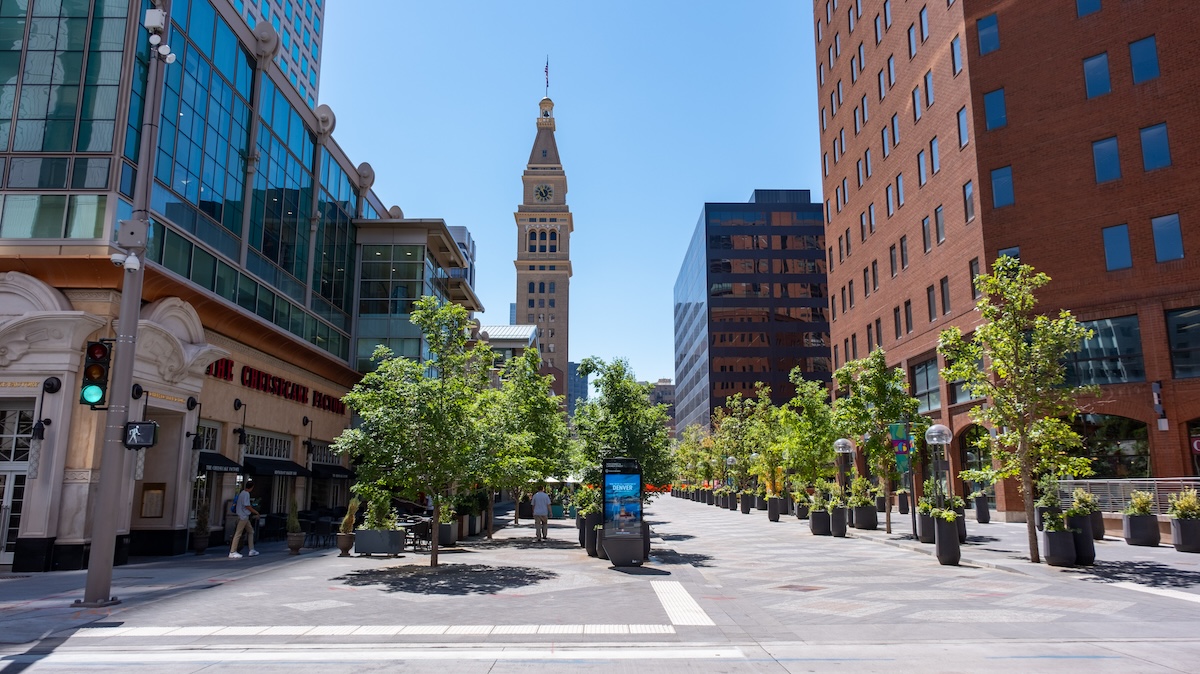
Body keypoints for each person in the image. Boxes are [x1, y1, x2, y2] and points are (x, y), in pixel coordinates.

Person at [229, 481, 260, 559]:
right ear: (252, 487)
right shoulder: (246, 494)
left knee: (250, 531)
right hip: (244, 516)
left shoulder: (242, 493)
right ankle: (232, 551)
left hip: (242, 516)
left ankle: (252, 549)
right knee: (238, 533)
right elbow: (247, 506)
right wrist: (256, 512)